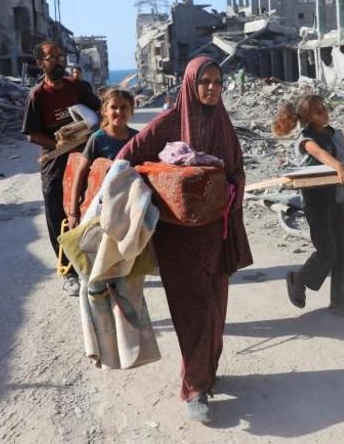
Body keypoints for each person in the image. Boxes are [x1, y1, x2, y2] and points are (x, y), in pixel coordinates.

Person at [116, 56, 253, 424]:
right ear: (190, 83)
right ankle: (194, 388)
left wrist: (228, 185)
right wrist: (162, 182)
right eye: (204, 82)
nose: (211, 88)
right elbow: (125, 161)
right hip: (178, 240)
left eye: (217, 82)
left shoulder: (224, 125)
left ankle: (206, 370)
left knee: (217, 309)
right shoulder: (168, 123)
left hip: (217, 234)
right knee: (195, 312)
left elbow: (239, 170)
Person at [22, 40, 101, 297]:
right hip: (55, 163)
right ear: (40, 63)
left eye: (60, 55)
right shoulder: (37, 96)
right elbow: (32, 134)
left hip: (84, 159)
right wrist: (58, 143)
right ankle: (68, 272)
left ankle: (97, 267)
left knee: (91, 211)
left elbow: (99, 110)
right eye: (51, 57)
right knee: (58, 217)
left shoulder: (76, 87)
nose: (57, 60)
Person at [272, 94, 344, 319]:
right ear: (307, 118)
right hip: (317, 200)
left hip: (337, 197)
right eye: (318, 111)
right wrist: (339, 166)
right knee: (327, 251)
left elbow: (343, 161)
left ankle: (339, 302)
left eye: (324, 108)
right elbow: (319, 154)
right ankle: (298, 280)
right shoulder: (306, 138)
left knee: (341, 252)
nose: (325, 113)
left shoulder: (333, 134)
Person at [66, 88, 138, 229]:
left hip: (130, 205)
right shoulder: (98, 139)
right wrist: (73, 213)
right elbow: (80, 174)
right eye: (114, 107)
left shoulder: (138, 138)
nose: (119, 112)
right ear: (105, 111)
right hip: (102, 207)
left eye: (124, 107)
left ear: (131, 110)